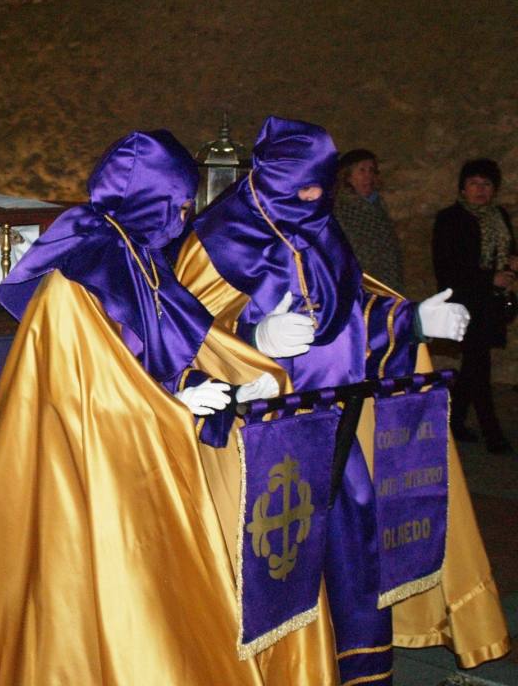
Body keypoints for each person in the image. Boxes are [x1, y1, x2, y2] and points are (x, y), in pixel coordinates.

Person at [0, 130, 339, 685]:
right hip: (85, 471)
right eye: (178, 202)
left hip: (137, 455)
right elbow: (81, 389)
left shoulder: (138, 257)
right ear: (147, 197)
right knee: (105, 601)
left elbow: (172, 344)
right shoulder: (75, 274)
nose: (186, 215)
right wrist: (170, 402)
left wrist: (239, 373)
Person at [176, 116, 509, 685]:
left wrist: (412, 321)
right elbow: (181, 334)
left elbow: (354, 312)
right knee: (266, 562)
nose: (309, 198)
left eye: (318, 186)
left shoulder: (323, 230)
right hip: (252, 439)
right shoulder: (217, 238)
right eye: (298, 187)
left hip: (332, 422)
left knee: (352, 538)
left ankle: (351, 666)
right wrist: (252, 340)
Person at [433, 158, 516, 454]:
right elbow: (448, 267)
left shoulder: (499, 217)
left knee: (473, 366)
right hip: (465, 303)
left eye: (487, 184)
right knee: (479, 367)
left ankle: (452, 422)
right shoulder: (450, 219)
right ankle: (492, 433)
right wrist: (489, 277)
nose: (480, 190)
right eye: (474, 184)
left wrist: (509, 269)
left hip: (490, 303)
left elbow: (508, 252)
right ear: (463, 188)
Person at [333, 148, 405, 290]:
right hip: (363, 284)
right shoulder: (341, 210)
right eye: (362, 171)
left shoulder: (378, 206)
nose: (368, 176)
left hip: (388, 281)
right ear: (348, 176)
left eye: (372, 170)